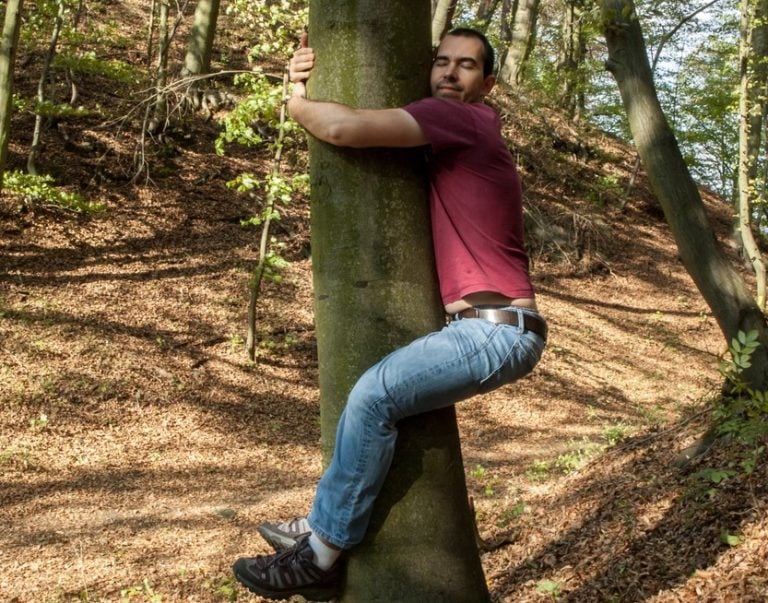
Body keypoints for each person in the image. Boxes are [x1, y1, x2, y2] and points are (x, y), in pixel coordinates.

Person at [232, 27, 547, 601]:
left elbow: (342, 128)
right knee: (377, 397)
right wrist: (300, 69)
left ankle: (320, 556)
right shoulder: (456, 136)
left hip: (496, 330)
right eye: (442, 62)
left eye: (467, 66)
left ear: (488, 83)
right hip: (485, 328)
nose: (450, 73)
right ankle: (316, 526)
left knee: (373, 395)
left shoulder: (465, 121)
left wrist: (296, 97)